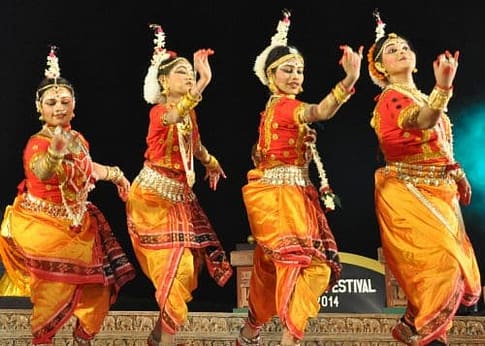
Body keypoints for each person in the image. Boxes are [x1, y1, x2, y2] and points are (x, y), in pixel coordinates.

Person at [237, 10, 363, 346]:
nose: (295, 75)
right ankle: (289, 340)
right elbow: (320, 111)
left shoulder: (276, 109)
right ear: (270, 75)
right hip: (279, 198)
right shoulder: (284, 107)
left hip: (292, 195)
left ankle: (250, 331)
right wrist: (348, 82)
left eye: (299, 70)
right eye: (288, 70)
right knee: (306, 266)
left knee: (270, 269)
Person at [0, 46, 136, 345]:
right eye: (51, 102)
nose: (59, 107)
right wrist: (54, 153)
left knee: (98, 294)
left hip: (80, 228)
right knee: (52, 297)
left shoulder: (78, 138)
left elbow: (89, 169)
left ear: (74, 105)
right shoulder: (37, 144)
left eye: (65, 101)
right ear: (39, 108)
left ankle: (81, 340)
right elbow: (42, 170)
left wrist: (117, 175)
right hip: (44, 227)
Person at [366, 11, 482, 345]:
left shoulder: (420, 95)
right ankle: (427, 334)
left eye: (404, 47)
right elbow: (422, 120)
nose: (401, 51)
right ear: (381, 69)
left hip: (439, 192)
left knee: (450, 269)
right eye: (391, 51)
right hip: (407, 190)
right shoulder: (390, 99)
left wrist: (458, 174)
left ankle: (424, 332)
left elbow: (440, 144)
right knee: (441, 266)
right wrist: (443, 87)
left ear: (414, 59)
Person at [125, 24, 233, 346]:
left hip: (180, 199)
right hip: (152, 199)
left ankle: (160, 337)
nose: (188, 77)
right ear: (163, 81)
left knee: (184, 270)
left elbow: (195, 144)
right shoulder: (159, 112)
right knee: (173, 268)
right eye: (183, 72)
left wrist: (210, 161)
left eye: (191, 73)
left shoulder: (190, 115)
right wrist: (204, 82)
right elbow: (174, 118)